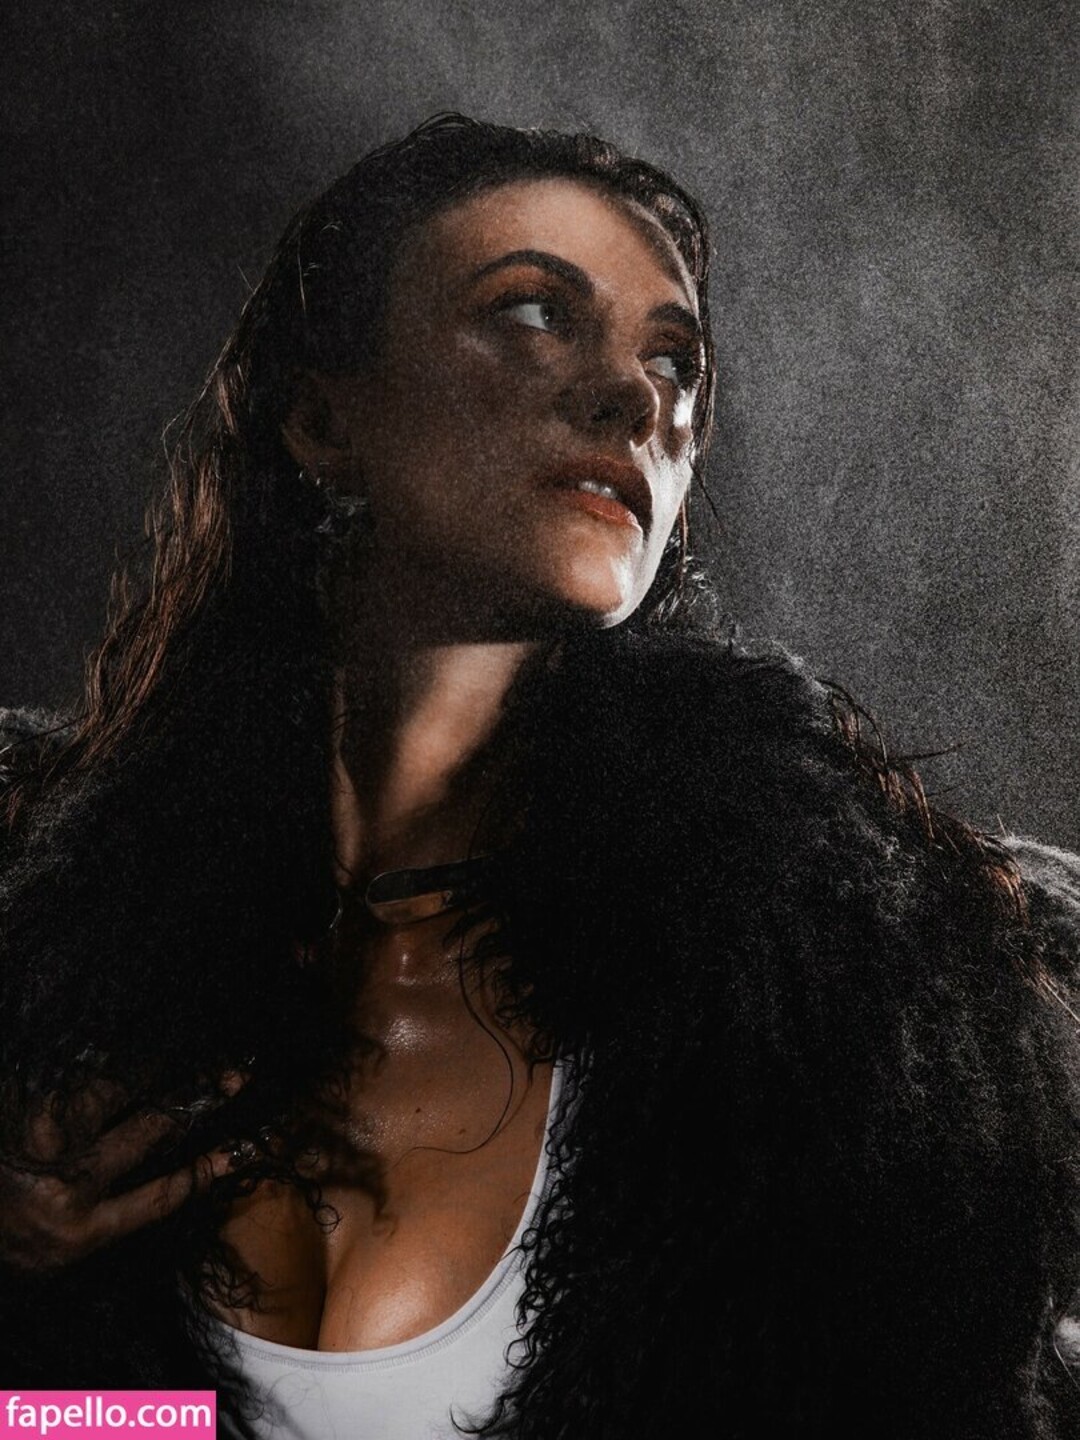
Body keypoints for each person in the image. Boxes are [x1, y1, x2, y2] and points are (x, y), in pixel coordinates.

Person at [1, 112, 1079, 1439]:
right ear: (322, 419)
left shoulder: (824, 980)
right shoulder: (62, 940)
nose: (637, 398)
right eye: (528, 313)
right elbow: (63, 1424)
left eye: (674, 361)